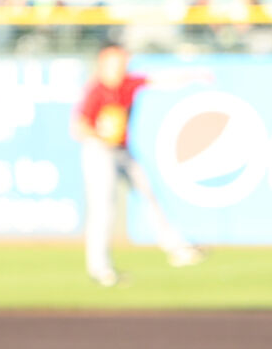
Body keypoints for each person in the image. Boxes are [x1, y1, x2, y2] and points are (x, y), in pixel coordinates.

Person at [71, 44, 210, 287]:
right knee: (103, 208)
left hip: (123, 150)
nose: (122, 64)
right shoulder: (97, 90)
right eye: (117, 60)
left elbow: (160, 80)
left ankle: (176, 248)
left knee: (148, 193)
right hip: (99, 151)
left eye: (123, 60)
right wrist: (101, 136)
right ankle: (99, 268)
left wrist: (193, 76)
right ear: (104, 62)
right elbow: (77, 127)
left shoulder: (127, 83)